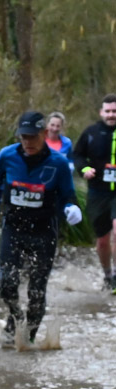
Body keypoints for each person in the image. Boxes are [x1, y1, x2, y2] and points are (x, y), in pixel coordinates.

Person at [0, 111, 82, 348]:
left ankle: (29, 339)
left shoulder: (58, 163)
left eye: (33, 137)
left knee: (37, 290)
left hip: (44, 231)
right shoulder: (7, 156)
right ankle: (15, 318)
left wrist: (71, 208)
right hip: (13, 228)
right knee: (7, 283)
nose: (28, 142)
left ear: (44, 134)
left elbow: (68, 195)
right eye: (24, 137)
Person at [73, 93, 116, 291]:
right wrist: (84, 169)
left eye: (114, 111)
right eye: (108, 111)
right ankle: (107, 275)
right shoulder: (91, 133)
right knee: (102, 241)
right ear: (101, 112)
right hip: (98, 192)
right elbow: (77, 155)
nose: (111, 115)